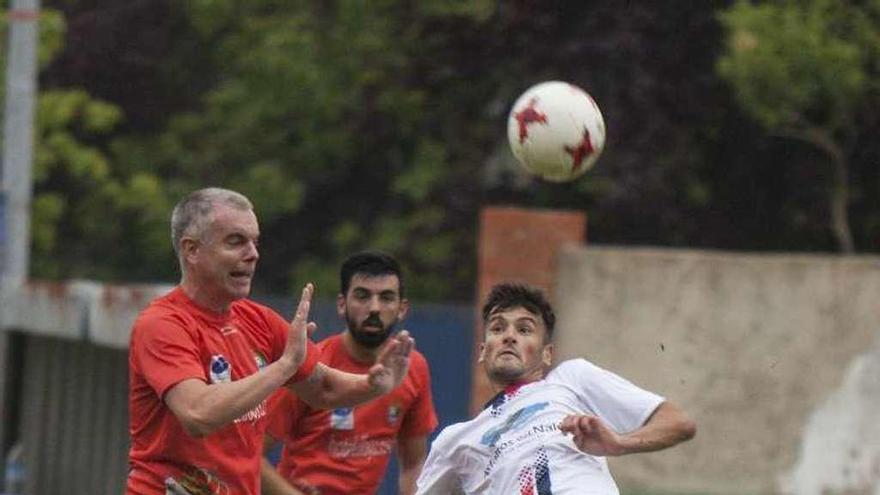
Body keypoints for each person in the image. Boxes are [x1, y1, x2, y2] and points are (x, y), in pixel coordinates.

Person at [127, 188, 415, 495]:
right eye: (236, 241)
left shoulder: (258, 320)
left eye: (255, 241)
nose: (253, 254)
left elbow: (323, 388)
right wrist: (284, 367)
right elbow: (199, 415)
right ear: (191, 250)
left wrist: (372, 385)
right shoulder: (162, 323)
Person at [415, 282, 697, 494]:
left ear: (547, 354)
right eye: (498, 328)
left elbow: (678, 423)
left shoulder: (570, 379)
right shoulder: (455, 440)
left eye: (524, 330)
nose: (509, 337)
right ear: (482, 350)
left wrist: (619, 443)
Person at [261, 251, 438, 495]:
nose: (374, 308)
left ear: (402, 308)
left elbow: (414, 463)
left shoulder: (411, 367)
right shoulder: (311, 366)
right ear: (342, 304)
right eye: (362, 296)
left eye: (386, 298)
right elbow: (250, 453)